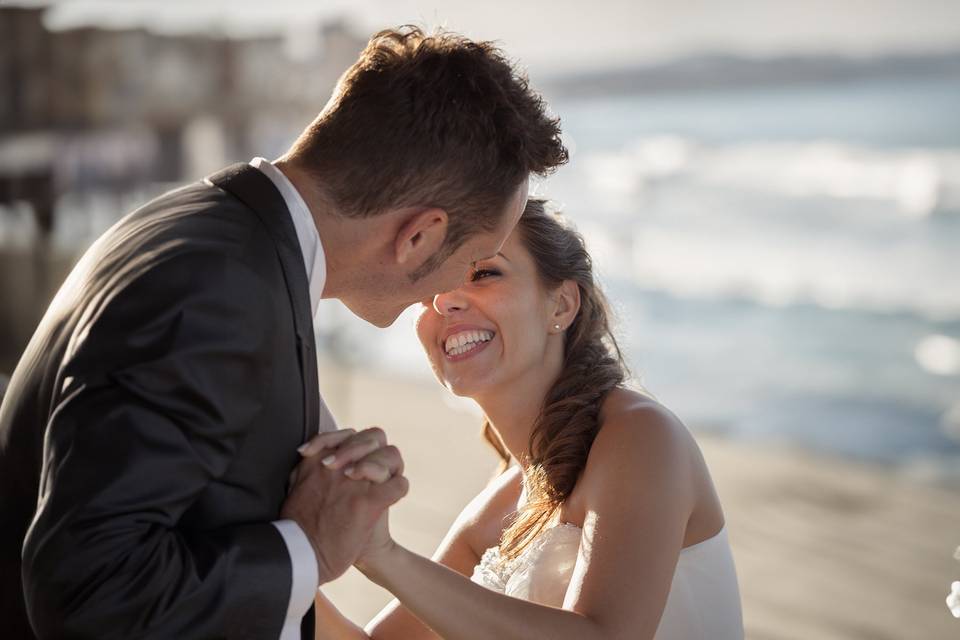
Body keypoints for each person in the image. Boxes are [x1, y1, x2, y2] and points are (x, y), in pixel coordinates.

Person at [0, 27, 566, 639]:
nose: (445, 292)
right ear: (420, 236)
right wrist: (308, 548)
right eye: (475, 257)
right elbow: (88, 592)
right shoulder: (216, 291)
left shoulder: (208, 229)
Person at [305, 199, 745, 639]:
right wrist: (266, 547)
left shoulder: (642, 436)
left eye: (483, 273)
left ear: (561, 305)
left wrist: (383, 556)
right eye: (428, 289)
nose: (446, 302)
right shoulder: (498, 503)